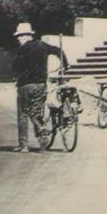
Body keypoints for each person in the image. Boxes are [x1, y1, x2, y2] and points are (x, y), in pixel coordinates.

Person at [11, 22, 68, 152]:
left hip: (25, 85)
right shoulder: (43, 45)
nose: (18, 39)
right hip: (41, 85)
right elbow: (59, 51)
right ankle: (42, 139)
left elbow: (15, 67)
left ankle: (23, 145)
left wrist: (17, 71)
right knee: (36, 113)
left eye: (19, 36)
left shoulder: (22, 49)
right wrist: (65, 65)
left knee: (23, 115)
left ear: (26, 36)